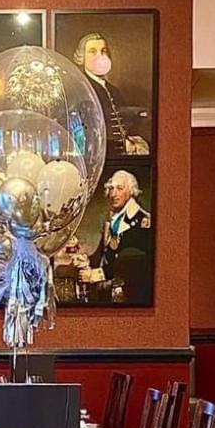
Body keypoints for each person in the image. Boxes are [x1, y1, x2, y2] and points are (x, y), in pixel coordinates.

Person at [78, 170, 153, 304]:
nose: (113, 194)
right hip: (107, 295)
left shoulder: (143, 220)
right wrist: (85, 261)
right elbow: (104, 253)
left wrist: (95, 275)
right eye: (111, 189)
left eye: (119, 188)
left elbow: (130, 264)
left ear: (131, 191)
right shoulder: (111, 220)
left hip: (130, 296)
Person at [71, 31, 150, 158]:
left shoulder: (114, 90)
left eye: (103, 51)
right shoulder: (81, 89)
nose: (100, 56)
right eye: (93, 51)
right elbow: (85, 133)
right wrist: (119, 144)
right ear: (82, 57)